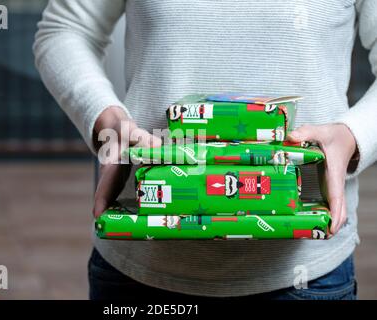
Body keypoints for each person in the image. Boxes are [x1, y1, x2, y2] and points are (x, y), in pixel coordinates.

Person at [33, 0, 377, 300]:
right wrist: (106, 120)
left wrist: (353, 136)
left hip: (307, 272)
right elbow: (66, 29)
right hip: (141, 265)